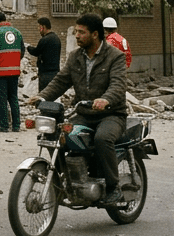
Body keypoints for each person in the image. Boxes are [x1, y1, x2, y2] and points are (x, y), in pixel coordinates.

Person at [34, 12, 128, 206]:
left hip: (111, 114)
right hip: (84, 113)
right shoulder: (75, 56)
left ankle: (113, 187)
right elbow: (61, 81)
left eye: (81, 32)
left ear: (95, 34)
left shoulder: (115, 56)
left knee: (102, 138)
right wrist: (42, 96)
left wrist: (105, 99)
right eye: (76, 31)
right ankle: (67, 181)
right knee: (61, 136)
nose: (76, 35)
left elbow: (118, 85)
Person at [0, 11, 25, 133]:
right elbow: (22, 51)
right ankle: (16, 125)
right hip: (14, 70)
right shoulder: (17, 32)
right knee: (13, 98)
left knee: (1, 99)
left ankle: (4, 125)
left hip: (0, 72)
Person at [26, 16, 62, 92]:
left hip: (45, 74)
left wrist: (27, 47)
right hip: (55, 73)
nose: (38, 29)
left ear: (43, 27)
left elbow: (36, 52)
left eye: (39, 27)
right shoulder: (56, 38)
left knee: (44, 96)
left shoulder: (44, 40)